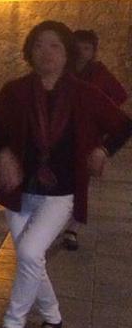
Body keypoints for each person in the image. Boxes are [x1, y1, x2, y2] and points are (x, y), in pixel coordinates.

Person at [0, 20, 132, 328]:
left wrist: (103, 150)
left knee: (29, 252)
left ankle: (13, 321)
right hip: (19, 191)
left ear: (67, 53)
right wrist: (5, 153)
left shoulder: (84, 94)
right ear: (29, 52)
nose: (46, 52)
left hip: (61, 193)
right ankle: (53, 319)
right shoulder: (15, 91)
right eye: (38, 45)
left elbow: (123, 125)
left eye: (55, 45)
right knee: (31, 259)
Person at [62, 29, 129, 251]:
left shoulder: (99, 72)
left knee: (81, 181)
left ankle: (73, 228)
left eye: (87, 48)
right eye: (78, 47)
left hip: (89, 134)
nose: (82, 52)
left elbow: (120, 94)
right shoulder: (64, 69)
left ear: (93, 51)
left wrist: (101, 112)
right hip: (62, 132)